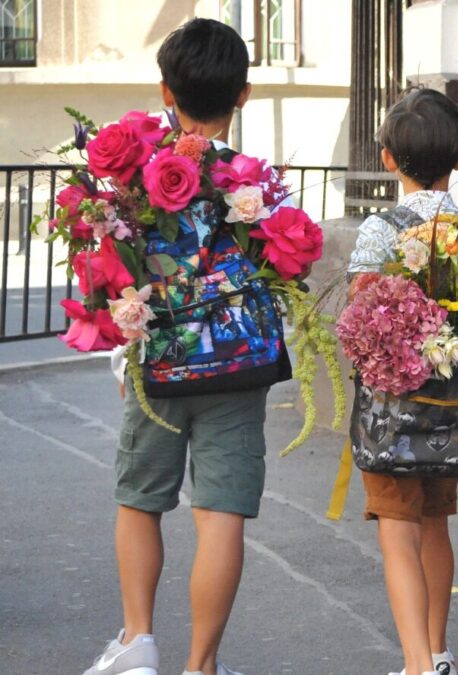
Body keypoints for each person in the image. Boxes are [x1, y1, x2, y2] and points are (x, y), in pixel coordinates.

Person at [84, 18, 261, 675]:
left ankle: (138, 640)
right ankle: (201, 664)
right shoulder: (254, 184)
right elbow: (278, 263)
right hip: (239, 362)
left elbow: (108, 262)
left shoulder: (139, 174)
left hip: (157, 358)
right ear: (242, 95)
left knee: (140, 497)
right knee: (222, 512)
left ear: (165, 89)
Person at [347, 87, 458, 675]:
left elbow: (360, 316)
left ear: (387, 158)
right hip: (456, 410)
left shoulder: (377, 232)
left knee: (397, 529)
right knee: (436, 523)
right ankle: (438, 654)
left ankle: (415, 665)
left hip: (394, 410)